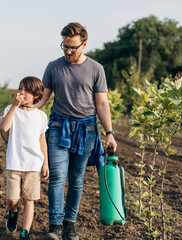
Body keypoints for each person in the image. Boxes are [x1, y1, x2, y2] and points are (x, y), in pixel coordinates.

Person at [35, 22, 117, 240]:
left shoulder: (96, 69)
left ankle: (69, 224)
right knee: (57, 177)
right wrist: (20, 110)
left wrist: (109, 133)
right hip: (58, 127)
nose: (68, 51)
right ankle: (55, 226)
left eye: (73, 47)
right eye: (65, 46)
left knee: (76, 178)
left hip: (86, 130)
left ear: (84, 44)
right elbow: (42, 99)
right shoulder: (53, 67)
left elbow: (101, 104)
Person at [0, 76, 50, 240]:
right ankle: (13, 212)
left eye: (26, 90)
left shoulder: (41, 116)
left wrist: (45, 163)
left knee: (29, 200)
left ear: (36, 95)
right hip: (14, 162)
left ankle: (25, 232)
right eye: (20, 88)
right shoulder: (11, 109)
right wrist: (15, 106)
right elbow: (5, 127)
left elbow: (42, 139)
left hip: (33, 164)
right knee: (12, 199)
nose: (21, 92)